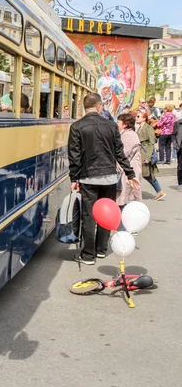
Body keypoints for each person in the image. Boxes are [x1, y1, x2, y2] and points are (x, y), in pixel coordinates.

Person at [68, 93, 139, 265]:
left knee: (89, 215)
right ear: (99, 107)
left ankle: (88, 255)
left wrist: (74, 178)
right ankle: (101, 250)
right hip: (109, 177)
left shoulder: (77, 126)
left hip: (88, 178)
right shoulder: (111, 126)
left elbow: (74, 155)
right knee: (106, 212)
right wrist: (130, 174)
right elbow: (119, 153)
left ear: (84, 107)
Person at [137, 110, 166, 200]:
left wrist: (149, 157)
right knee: (143, 174)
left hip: (146, 153)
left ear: (144, 118)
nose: (136, 118)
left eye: (138, 116)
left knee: (147, 174)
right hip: (141, 152)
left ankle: (160, 191)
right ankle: (159, 191)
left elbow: (151, 143)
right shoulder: (139, 128)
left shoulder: (148, 128)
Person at [115, 113, 142, 207]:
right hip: (130, 168)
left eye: (118, 122)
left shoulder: (128, 135)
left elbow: (123, 154)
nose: (116, 124)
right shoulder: (129, 134)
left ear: (125, 124)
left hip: (128, 170)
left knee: (126, 198)